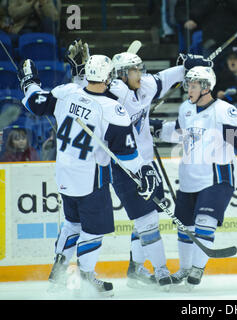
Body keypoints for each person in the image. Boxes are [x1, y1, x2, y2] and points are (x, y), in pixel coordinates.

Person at [65, 40, 213, 289]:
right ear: (122, 75)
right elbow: (82, 92)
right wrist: (79, 71)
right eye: (135, 70)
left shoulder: (146, 84)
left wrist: (196, 61)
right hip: (123, 167)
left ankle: (135, 269)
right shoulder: (108, 94)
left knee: (150, 216)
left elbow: (183, 70)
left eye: (141, 69)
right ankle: (160, 270)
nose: (141, 74)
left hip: (147, 164)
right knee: (147, 221)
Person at [18, 55, 157, 297]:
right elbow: (125, 155)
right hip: (91, 179)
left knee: (72, 223)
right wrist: (144, 170)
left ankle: (58, 272)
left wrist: (30, 80)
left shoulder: (67, 92)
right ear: (108, 77)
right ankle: (86, 277)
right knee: (93, 230)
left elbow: (35, 102)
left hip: (63, 175)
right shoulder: (113, 110)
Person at [152, 66, 237, 288]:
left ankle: (198, 267)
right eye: (188, 84)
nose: (189, 88)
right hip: (188, 179)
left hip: (216, 178)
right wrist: (156, 129)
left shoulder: (223, 111)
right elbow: (179, 132)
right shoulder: (186, 108)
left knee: (204, 222)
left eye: (194, 84)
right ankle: (185, 268)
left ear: (206, 87)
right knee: (184, 228)